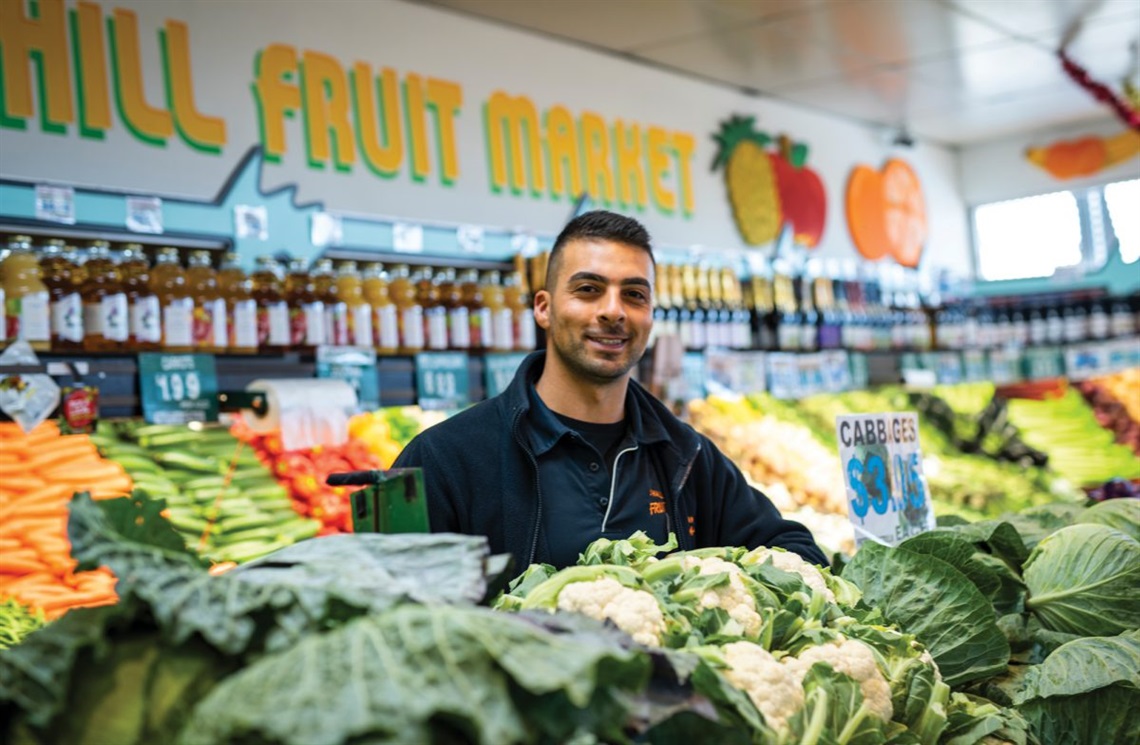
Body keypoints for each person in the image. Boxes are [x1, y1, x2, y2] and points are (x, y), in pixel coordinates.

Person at [393, 210, 827, 569]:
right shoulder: (444, 460)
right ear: (543, 308)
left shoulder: (684, 455)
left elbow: (796, 550)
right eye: (588, 290)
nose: (614, 311)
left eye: (634, 295)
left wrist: (718, 589)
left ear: (651, 314)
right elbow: (390, 614)